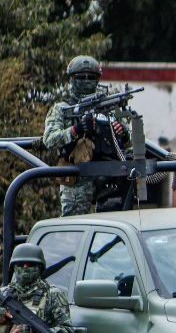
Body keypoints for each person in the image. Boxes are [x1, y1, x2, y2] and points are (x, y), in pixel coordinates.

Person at [42, 56, 131, 216]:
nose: (87, 81)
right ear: (71, 78)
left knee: (111, 231)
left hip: (109, 180)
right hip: (77, 182)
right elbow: (49, 140)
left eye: (91, 77)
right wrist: (76, 130)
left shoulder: (108, 105)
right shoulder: (62, 108)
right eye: (81, 77)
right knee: (73, 233)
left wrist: (122, 132)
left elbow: (128, 140)